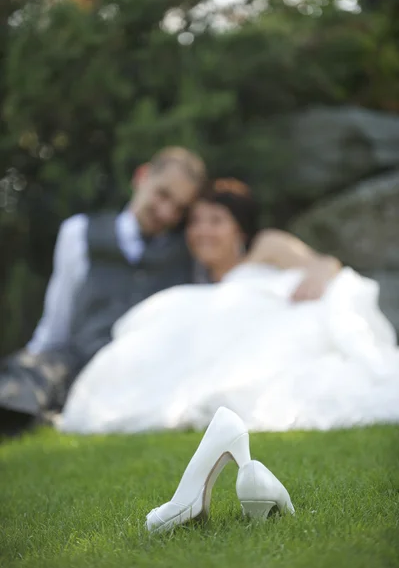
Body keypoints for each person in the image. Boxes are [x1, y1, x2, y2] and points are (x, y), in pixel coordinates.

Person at [59, 179, 399, 435]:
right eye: (195, 222)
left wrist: (320, 275)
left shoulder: (266, 247)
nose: (202, 231)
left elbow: (323, 264)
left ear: (239, 227)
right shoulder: (195, 273)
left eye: (216, 220)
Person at [0, 146, 207, 434]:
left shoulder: (190, 253)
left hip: (144, 376)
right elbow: (55, 327)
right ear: (142, 176)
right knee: (24, 376)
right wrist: (29, 366)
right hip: (77, 365)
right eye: (163, 194)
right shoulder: (79, 233)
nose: (166, 212)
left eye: (180, 208)